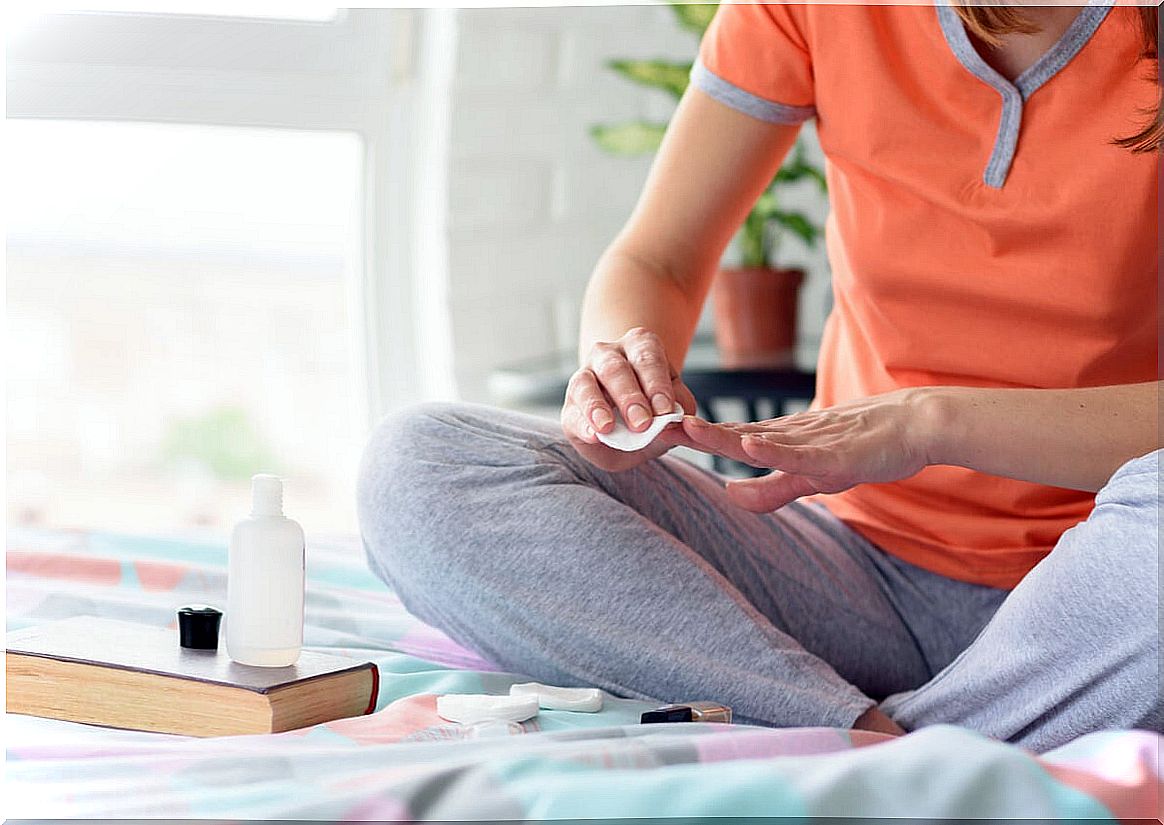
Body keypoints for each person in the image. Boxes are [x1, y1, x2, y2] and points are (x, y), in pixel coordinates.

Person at [357, 2, 1160, 751]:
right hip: (850, 573)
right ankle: (872, 740)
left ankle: (870, 742)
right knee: (418, 464)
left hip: (1103, 589)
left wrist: (926, 423)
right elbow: (659, 258)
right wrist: (624, 366)